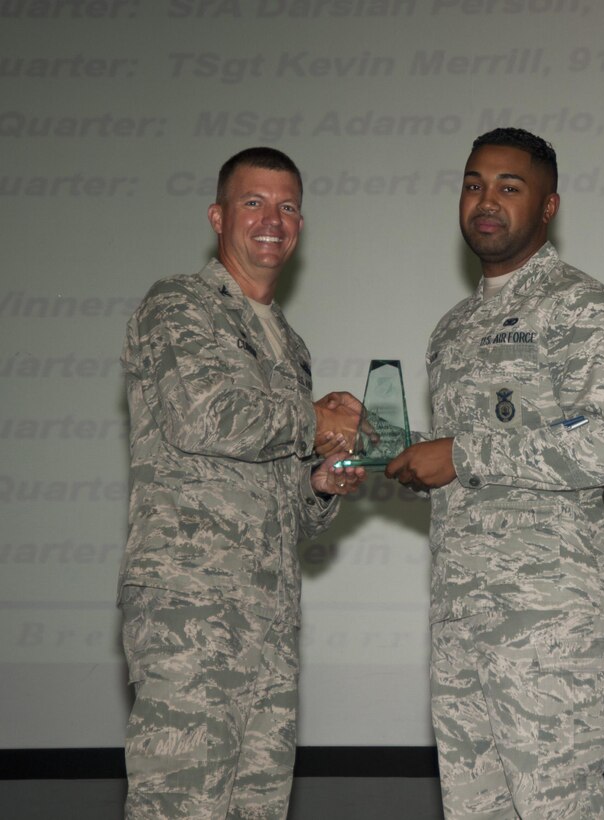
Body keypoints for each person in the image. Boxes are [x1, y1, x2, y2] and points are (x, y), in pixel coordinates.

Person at [386, 128, 604, 818]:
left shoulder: (583, 307)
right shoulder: (453, 328)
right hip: (461, 612)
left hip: (546, 617)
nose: (486, 201)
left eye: (509, 186)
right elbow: (473, 464)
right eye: (473, 184)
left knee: (557, 807)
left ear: (548, 206)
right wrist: (406, 454)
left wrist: (461, 453)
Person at [119, 146, 367, 819]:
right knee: (180, 805)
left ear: (302, 226)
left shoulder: (289, 344)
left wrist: (320, 485)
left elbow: (288, 494)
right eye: (253, 203)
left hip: (267, 618)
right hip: (190, 612)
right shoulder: (180, 305)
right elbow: (205, 417)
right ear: (217, 217)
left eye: (288, 207)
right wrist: (313, 420)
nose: (273, 220)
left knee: (257, 808)